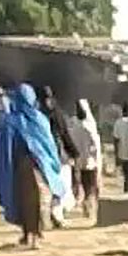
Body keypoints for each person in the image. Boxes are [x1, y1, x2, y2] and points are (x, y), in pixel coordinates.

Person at [0, 83, 66, 249]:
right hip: (41, 167)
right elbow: (49, 146)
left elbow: (5, 149)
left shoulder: (10, 121)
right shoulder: (40, 119)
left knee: (23, 201)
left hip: (19, 167)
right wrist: (52, 163)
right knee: (39, 200)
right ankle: (36, 233)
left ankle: (28, 234)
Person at [38, 85, 77, 225]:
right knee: (60, 184)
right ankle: (57, 215)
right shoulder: (56, 114)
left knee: (47, 185)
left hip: (42, 155)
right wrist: (73, 152)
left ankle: (49, 215)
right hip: (57, 155)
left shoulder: (36, 114)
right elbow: (64, 134)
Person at [69, 99, 102, 217]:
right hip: (90, 161)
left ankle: (86, 206)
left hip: (79, 161)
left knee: (83, 184)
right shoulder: (89, 126)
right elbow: (96, 145)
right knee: (90, 186)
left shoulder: (73, 125)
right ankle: (88, 206)